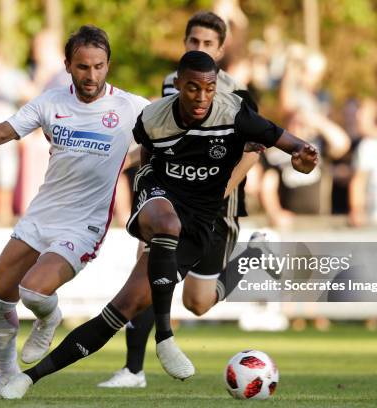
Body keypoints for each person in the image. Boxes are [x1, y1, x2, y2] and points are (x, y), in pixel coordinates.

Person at [0, 50, 317, 399]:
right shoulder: (152, 117)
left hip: (198, 222)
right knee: (166, 221)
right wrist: (147, 182)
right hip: (158, 197)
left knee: (121, 310)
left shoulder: (236, 114)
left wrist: (304, 158)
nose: (201, 97)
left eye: (209, 88)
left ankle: (29, 379)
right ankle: (165, 336)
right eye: (193, 88)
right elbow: (145, 153)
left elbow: (294, 146)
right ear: (178, 85)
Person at [0, 25, 149, 398]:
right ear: (68, 65)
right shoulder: (49, 102)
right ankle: (5, 373)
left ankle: (50, 317)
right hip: (42, 214)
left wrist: (134, 160)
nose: (92, 75)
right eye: (83, 67)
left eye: (99, 66)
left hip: (84, 224)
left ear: (108, 65)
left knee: (34, 293)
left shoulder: (131, 107)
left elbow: (169, 133)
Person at [99, 11, 261, 388]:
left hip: (216, 204)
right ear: (185, 43)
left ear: (220, 50)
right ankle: (133, 370)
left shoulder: (236, 93)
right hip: (172, 199)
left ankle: (254, 256)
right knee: (151, 269)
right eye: (194, 41)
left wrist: (219, 190)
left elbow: (254, 150)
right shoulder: (171, 85)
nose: (200, 47)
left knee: (197, 303)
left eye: (208, 44)